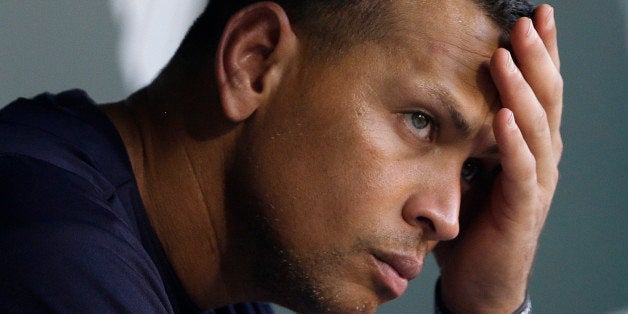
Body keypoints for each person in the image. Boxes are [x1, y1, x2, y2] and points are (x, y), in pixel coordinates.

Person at [0, 0, 563, 313]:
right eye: (421, 122)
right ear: (255, 60)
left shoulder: (221, 286)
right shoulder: (49, 251)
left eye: (473, 171)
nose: (448, 216)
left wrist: (487, 303)